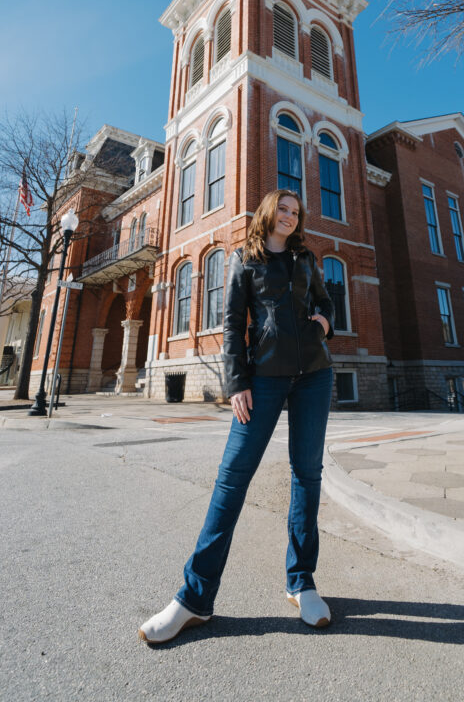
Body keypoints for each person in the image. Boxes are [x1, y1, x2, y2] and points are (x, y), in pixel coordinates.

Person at [139, 188, 335, 644]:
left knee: (307, 475)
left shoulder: (306, 258)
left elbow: (327, 302)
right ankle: (194, 599)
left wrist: (324, 322)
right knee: (232, 478)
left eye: (295, 212)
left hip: (314, 376)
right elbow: (231, 322)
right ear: (268, 212)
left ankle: (301, 581)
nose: (289, 216)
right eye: (282, 209)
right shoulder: (243, 260)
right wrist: (237, 382)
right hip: (263, 379)